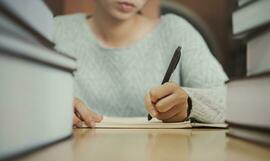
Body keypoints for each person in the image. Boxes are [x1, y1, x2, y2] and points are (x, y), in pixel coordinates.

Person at [54, 0, 228, 128]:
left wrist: (191, 104)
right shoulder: (56, 31)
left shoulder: (177, 31)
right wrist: (50, 104)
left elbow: (231, 101)